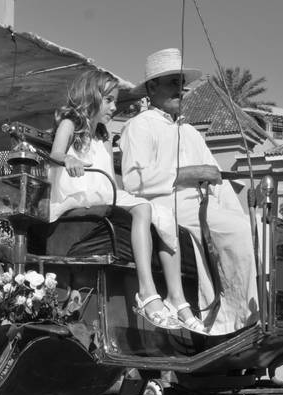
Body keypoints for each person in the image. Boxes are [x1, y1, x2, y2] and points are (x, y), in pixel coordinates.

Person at [48, 69, 204, 333]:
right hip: (76, 194)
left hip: (102, 190)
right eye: (108, 100)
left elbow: (109, 174)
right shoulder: (69, 123)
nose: (113, 107)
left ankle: (177, 298)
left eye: (114, 101)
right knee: (143, 208)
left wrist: (126, 197)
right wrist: (69, 159)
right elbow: (55, 153)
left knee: (161, 212)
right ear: (91, 97)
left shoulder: (103, 134)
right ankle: (147, 291)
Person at [120, 48, 259, 335]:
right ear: (152, 87)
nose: (179, 91)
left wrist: (231, 200)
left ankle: (258, 310)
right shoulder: (139, 126)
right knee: (237, 232)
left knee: (253, 228)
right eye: (172, 83)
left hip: (203, 203)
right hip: (168, 205)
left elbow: (214, 176)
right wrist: (187, 175)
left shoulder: (192, 133)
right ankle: (234, 319)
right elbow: (135, 180)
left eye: (181, 84)